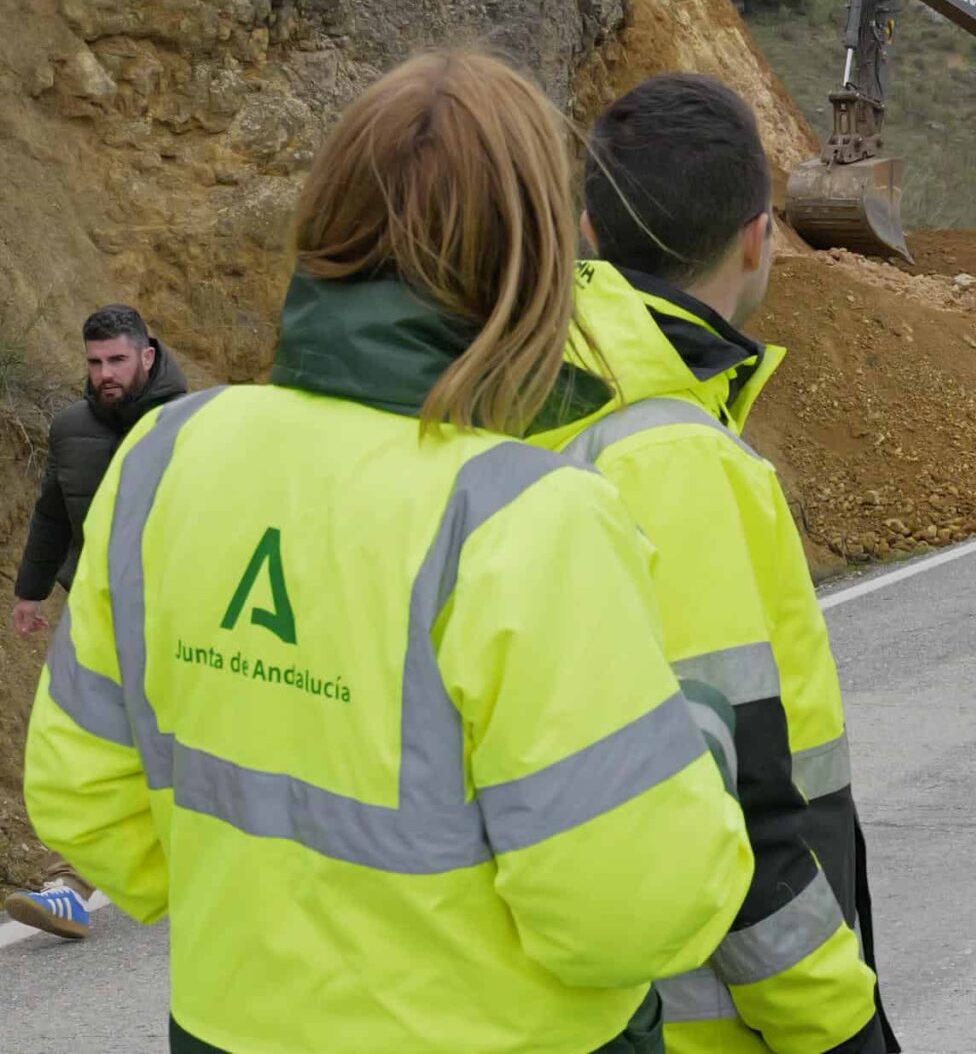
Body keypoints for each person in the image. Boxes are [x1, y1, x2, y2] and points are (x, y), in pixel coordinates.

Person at [22, 51, 754, 1053]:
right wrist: (697, 742)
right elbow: (629, 913)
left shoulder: (165, 456)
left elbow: (81, 795)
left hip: (228, 1023)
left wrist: (263, 922)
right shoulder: (530, 520)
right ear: (535, 257)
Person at [537, 73, 894, 1054]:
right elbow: (736, 819)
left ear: (591, 233)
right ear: (756, 236)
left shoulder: (530, 410)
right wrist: (844, 1027)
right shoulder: (676, 459)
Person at [6, 303, 188, 939]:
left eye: (116, 359)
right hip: (99, 608)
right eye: (94, 362)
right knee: (90, 740)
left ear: (147, 354)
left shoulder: (189, 425)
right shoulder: (70, 427)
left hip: (183, 612)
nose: (105, 373)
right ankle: (68, 885)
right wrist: (30, 593)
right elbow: (54, 512)